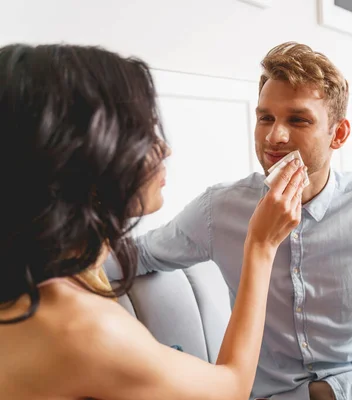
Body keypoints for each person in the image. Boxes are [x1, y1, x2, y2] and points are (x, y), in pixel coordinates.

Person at [106, 42, 352, 400]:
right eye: (265, 118)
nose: (275, 136)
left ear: (338, 134)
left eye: (298, 120)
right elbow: (137, 256)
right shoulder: (219, 209)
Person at [0, 43, 307, 400]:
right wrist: (261, 246)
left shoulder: (46, 275)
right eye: (143, 133)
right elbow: (232, 389)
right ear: (82, 153)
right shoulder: (86, 330)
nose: (164, 149)